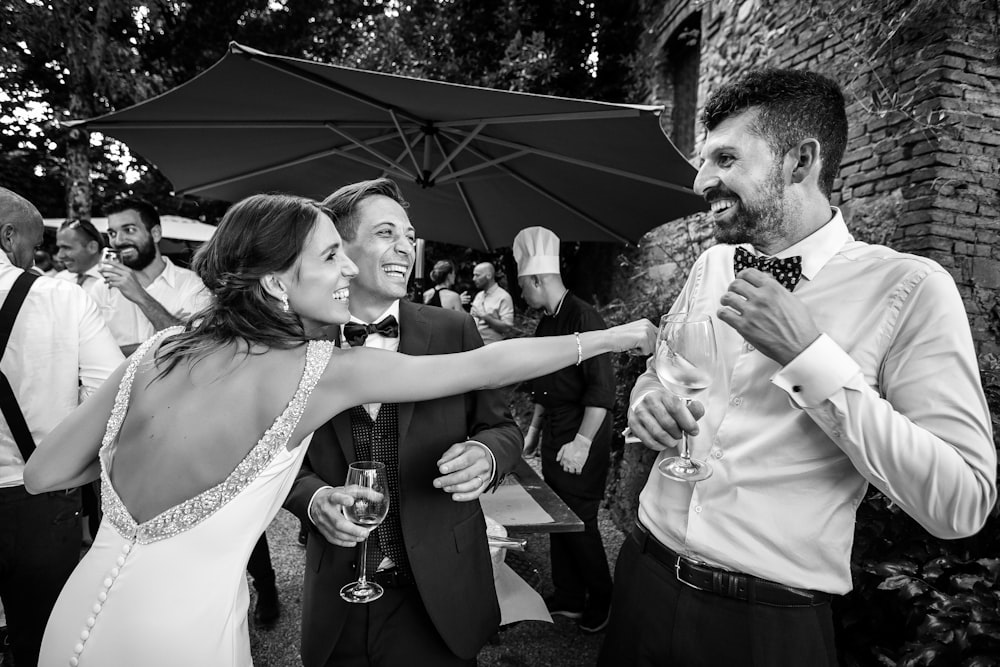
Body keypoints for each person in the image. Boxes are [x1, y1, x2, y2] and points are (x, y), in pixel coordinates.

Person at [23, 192, 655, 667]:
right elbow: (489, 363)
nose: (348, 270)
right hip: (181, 636)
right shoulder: (317, 372)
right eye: (331, 256)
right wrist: (615, 336)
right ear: (276, 280)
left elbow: (42, 472)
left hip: (77, 614)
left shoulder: (155, 352)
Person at [599, 68, 997, 667]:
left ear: (800, 161)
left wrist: (809, 356)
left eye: (726, 158)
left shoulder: (910, 288)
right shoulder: (711, 265)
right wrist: (646, 401)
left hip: (766, 625)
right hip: (643, 578)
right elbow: (665, 369)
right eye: (705, 161)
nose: (703, 179)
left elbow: (961, 503)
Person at [284, 178, 521, 667]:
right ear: (339, 247)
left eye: (409, 236)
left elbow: (502, 426)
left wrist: (488, 454)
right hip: (340, 589)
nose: (405, 248)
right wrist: (312, 499)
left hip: (442, 587)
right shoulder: (296, 342)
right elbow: (274, 454)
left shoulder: (453, 329)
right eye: (385, 233)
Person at [0, 187, 122, 667]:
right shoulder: (61, 298)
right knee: (43, 638)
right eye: (31, 248)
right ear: (8, 237)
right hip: (39, 499)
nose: (33, 259)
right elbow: (109, 397)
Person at [513, 226, 615, 634]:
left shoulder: (585, 317)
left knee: (581, 521)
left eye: (523, 286)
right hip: (555, 433)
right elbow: (544, 385)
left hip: (581, 439)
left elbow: (602, 392)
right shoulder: (544, 324)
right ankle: (569, 597)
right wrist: (534, 431)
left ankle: (602, 597)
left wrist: (582, 443)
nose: (522, 294)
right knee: (557, 520)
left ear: (538, 279)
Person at [100, 197, 210, 355]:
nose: (118, 240)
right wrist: (165, 340)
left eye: (129, 230)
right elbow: (94, 353)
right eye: (112, 233)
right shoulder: (102, 288)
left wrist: (140, 296)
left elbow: (194, 347)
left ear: (156, 234)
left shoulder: (193, 286)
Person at [461, 262, 514, 344]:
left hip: (493, 348)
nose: (474, 279)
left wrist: (486, 317)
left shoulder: (503, 297)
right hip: (474, 346)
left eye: (477, 275)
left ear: (488, 276)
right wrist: (458, 304)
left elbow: (507, 328)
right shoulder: (479, 296)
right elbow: (471, 320)